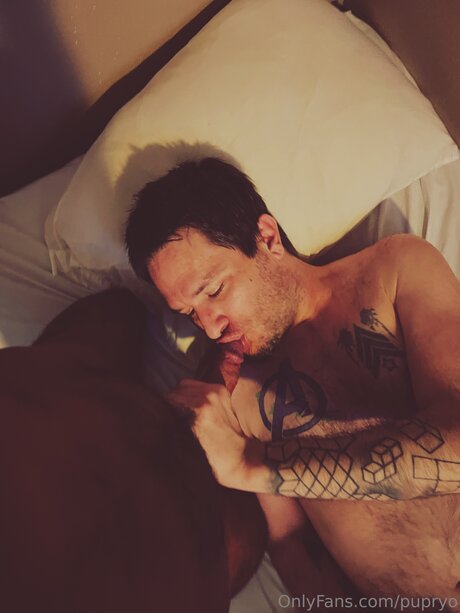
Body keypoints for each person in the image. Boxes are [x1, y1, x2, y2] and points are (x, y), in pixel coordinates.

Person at [125, 157, 460, 609]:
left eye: (214, 291)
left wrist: (249, 462)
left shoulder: (393, 272)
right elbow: (291, 543)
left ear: (267, 238)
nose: (210, 327)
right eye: (189, 314)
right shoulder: (230, 398)